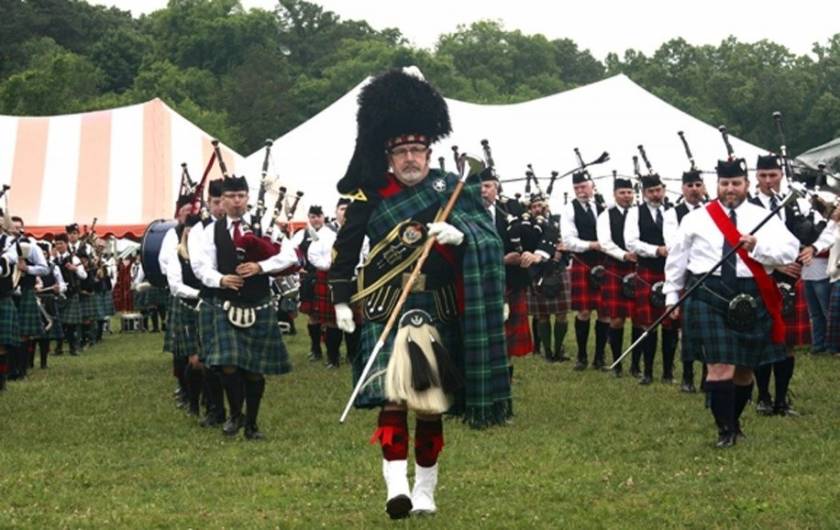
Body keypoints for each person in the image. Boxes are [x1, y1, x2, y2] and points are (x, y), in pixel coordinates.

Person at [328, 69, 510, 519]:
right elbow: (345, 251)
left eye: (418, 150)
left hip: (438, 306)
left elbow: (489, 239)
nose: (411, 158)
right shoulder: (369, 195)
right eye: (402, 151)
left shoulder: (453, 190)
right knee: (393, 397)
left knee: (429, 403)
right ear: (388, 155)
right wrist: (339, 299)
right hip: (388, 304)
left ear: (430, 152)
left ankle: (426, 488)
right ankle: (396, 487)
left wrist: (461, 236)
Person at [663, 158, 798, 447]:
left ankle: (734, 420)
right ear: (717, 186)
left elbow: (789, 251)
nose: (730, 189)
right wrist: (671, 296)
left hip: (751, 294)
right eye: (725, 184)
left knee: (745, 369)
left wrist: (758, 247)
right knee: (720, 367)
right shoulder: (696, 218)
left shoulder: (763, 216)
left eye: (736, 183)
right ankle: (725, 430)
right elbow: (677, 260)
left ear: (747, 185)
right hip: (708, 294)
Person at [193, 174, 299, 439]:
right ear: (222, 200)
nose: (236, 201)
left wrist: (260, 266)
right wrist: (219, 279)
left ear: (248, 198)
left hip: (258, 301)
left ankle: (251, 423)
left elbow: (289, 255)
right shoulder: (210, 231)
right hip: (225, 301)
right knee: (228, 363)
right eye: (230, 197)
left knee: (253, 368)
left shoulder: (264, 225)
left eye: (241, 196)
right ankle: (234, 414)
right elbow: (200, 264)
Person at [748, 154, 831, 415]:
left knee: (788, 342)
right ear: (756, 177)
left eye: (773, 175)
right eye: (763, 176)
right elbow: (743, 244)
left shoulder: (797, 203)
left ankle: (782, 399)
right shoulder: (749, 207)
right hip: (762, 276)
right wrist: (776, 264)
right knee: (762, 338)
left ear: (781, 176)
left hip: (793, 278)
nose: (768, 181)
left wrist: (812, 248)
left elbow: (823, 228)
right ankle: (762, 397)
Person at [625, 173, 678, 385]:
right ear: (644, 193)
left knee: (670, 322)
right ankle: (647, 371)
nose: (656, 194)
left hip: (671, 271)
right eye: (651, 191)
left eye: (658, 190)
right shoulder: (635, 213)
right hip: (648, 270)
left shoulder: (672, 211)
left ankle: (667, 372)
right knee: (648, 323)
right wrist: (657, 250)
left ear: (664, 189)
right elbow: (631, 242)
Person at [558, 172, 610, 370]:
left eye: (583, 187)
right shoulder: (569, 209)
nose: (580, 191)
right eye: (577, 188)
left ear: (592, 186)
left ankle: (599, 358)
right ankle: (581, 356)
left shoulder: (602, 207)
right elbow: (569, 240)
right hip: (583, 262)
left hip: (604, 263)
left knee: (604, 312)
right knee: (584, 311)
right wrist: (592, 245)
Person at [663, 169, 709, 392]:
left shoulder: (712, 211)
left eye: (698, 185)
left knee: (709, 327)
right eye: (690, 185)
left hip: (709, 274)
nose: (694, 189)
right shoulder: (674, 213)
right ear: (682, 189)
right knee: (688, 329)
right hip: (688, 273)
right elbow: (674, 246)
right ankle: (688, 376)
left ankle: (707, 376)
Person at [481, 172, 534, 361]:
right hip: (480, 282)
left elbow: (530, 236)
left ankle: (506, 380)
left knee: (509, 341)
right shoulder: (468, 213)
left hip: (512, 281)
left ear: (496, 187)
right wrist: (502, 260)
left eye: (487, 186)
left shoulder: (511, 208)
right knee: (483, 337)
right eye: (479, 186)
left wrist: (529, 253)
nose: (482, 190)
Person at [188, 178, 228, 428]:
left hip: (240, 296)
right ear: (208, 203)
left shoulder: (243, 227)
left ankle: (237, 411)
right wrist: (223, 280)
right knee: (211, 359)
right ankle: (215, 408)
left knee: (237, 360)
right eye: (216, 202)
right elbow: (199, 268)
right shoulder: (199, 231)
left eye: (224, 200)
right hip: (213, 295)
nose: (221, 207)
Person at [595, 176, 638, 376]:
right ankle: (617, 363)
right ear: (615, 194)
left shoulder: (639, 212)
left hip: (639, 268)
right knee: (617, 319)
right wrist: (624, 255)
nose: (626, 196)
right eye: (622, 192)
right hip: (616, 266)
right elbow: (604, 242)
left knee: (640, 318)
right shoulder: (606, 215)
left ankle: (636, 365)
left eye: (629, 192)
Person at [522, 194, 570, 362]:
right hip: (538, 273)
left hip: (558, 271)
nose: (537, 209)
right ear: (530, 209)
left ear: (546, 206)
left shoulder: (558, 222)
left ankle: (559, 350)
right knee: (542, 315)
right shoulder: (526, 226)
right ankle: (547, 352)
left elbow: (568, 241)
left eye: (540, 205)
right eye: (534, 206)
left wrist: (562, 250)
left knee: (561, 314)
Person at [9, 216, 49, 379]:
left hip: (24, 291)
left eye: (19, 227)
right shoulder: (4, 246)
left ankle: (22, 370)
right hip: (6, 293)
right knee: (9, 333)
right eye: (13, 227)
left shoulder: (31, 247)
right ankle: (10, 370)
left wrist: (27, 268)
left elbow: (44, 269)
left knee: (23, 333)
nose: (16, 230)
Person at [293, 205, 329, 362]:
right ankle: (315, 348)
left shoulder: (331, 233)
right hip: (309, 277)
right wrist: (298, 267)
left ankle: (332, 352)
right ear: (309, 218)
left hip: (327, 277)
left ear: (323, 216)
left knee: (329, 317)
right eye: (312, 216)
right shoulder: (302, 234)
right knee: (312, 315)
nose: (315, 219)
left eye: (318, 216)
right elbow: (292, 251)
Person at [53, 233, 87, 356]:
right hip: (58, 294)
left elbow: (84, 275)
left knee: (71, 324)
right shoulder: (54, 260)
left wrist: (75, 269)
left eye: (61, 243)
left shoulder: (74, 259)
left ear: (66, 244)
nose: (58, 246)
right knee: (59, 322)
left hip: (71, 293)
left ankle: (73, 348)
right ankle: (59, 348)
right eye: (56, 244)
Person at [1, 227, 22, 391]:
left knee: (1, 345)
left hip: (2, 296)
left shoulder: (9, 242)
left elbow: (11, 259)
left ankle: (1, 381)